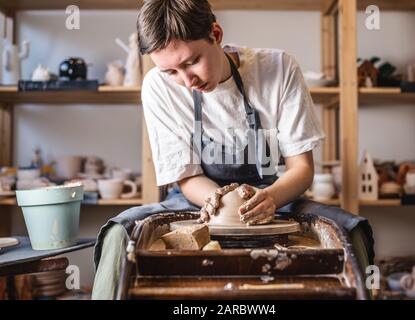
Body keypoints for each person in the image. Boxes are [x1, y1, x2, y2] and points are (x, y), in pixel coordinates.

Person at [92, 0, 374, 299]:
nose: (187, 81)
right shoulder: (158, 87)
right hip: (198, 202)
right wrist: (220, 204)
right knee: (118, 232)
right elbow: (187, 178)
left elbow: (302, 169)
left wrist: (270, 198)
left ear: (216, 33)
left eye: (191, 62)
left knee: (351, 230)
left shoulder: (277, 69)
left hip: (276, 197)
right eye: (171, 71)